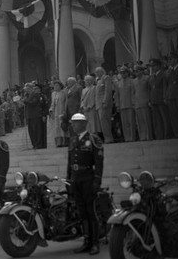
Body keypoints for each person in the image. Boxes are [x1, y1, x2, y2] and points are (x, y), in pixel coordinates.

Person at [67, 113, 104, 255]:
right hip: (76, 179)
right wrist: (68, 180)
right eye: (73, 123)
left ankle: (95, 243)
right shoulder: (73, 140)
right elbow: (69, 163)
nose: (73, 125)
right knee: (82, 212)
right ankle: (86, 241)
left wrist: (97, 181)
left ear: (84, 124)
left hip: (88, 178)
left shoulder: (94, 140)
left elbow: (99, 163)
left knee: (91, 211)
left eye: (76, 123)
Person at [148, 58, 172, 139]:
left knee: (165, 118)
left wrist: (165, 97)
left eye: (154, 65)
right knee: (157, 120)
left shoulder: (163, 74)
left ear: (159, 66)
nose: (152, 67)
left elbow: (165, 87)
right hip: (154, 100)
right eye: (151, 66)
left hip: (161, 99)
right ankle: (159, 135)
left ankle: (167, 134)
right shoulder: (152, 77)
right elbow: (151, 89)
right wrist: (150, 100)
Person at [165, 52, 178, 138]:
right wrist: (166, 96)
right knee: (173, 116)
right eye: (169, 59)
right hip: (171, 96)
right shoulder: (168, 72)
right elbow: (167, 85)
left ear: (176, 60)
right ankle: (177, 133)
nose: (169, 61)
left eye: (171, 59)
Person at [132, 64, 153, 141]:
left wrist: (149, 100)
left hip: (145, 101)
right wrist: (133, 102)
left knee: (147, 120)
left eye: (137, 70)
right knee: (140, 121)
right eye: (135, 71)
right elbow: (133, 93)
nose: (136, 72)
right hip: (137, 102)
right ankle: (142, 136)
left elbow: (150, 90)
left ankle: (149, 136)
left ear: (141, 71)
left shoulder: (147, 78)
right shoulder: (134, 81)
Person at [114, 66, 135, 141]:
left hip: (130, 104)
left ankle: (132, 137)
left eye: (124, 72)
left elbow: (133, 93)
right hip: (122, 104)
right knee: (124, 123)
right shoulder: (118, 83)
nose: (123, 74)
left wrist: (133, 103)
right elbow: (117, 95)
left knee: (131, 122)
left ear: (127, 73)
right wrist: (117, 105)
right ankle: (127, 138)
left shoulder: (132, 81)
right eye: (121, 72)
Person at [94, 67, 114, 143]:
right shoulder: (98, 81)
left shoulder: (106, 78)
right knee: (103, 122)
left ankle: (109, 138)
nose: (96, 74)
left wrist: (105, 101)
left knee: (105, 121)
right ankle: (107, 138)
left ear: (102, 72)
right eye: (96, 72)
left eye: (97, 72)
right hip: (99, 104)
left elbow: (107, 90)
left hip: (104, 103)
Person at [49, 80, 67, 147]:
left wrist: (64, 111)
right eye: (54, 86)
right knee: (56, 127)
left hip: (61, 110)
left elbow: (65, 102)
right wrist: (51, 110)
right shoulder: (53, 94)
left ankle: (64, 141)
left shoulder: (63, 93)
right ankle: (58, 142)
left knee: (62, 126)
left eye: (57, 85)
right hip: (55, 111)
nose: (55, 87)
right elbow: (52, 103)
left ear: (60, 86)